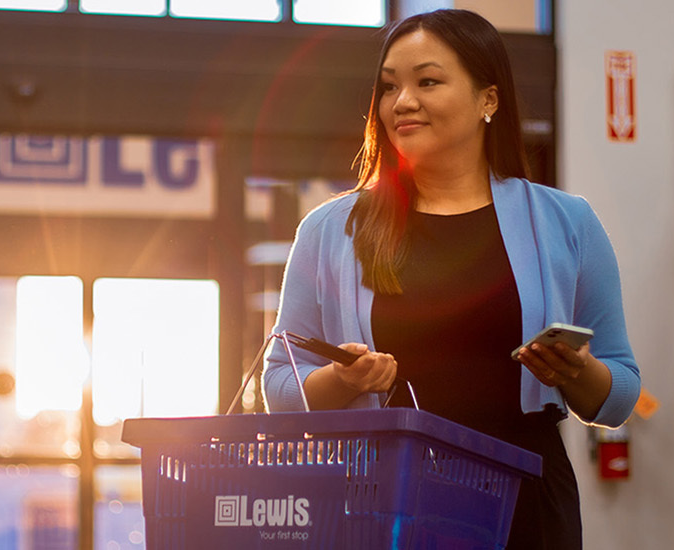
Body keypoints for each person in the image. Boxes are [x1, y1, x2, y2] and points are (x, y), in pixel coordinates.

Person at [259, 9, 641, 549]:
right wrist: (343, 380)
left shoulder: (567, 222)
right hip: (379, 503)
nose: (402, 102)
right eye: (389, 86)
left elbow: (620, 395)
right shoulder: (329, 230)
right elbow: (279, 389)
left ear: (488, 99)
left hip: (525, 506)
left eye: (427, 81)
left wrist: (575, 370)